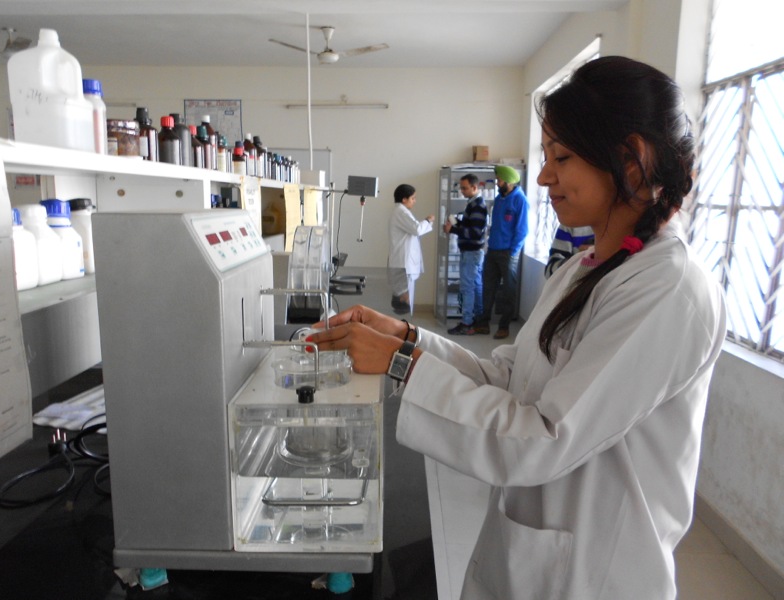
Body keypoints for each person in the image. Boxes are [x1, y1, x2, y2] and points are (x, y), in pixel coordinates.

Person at [307, 56, 727, 599]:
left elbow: (545, 439)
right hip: (534, 553)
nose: (545, 175)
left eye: (561, 157)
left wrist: (400, 364)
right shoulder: (587, 269)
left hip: (595, 574)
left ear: (631, 160)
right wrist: (404, 338)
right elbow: (507, 378)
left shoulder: (668, 289)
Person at [476, 164, 529, 339]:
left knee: (508, 291)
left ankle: (504, 326)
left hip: (508, 253)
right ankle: (483, 323)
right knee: (488, 288)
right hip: (492, 250)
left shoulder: (520, 200)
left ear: (509, 181)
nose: (497, 183)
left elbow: (522, 230)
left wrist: (513, 252)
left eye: (499, 180)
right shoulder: (499, 199)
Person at [444, 174, 488, 335]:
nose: (461, 191)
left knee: (467, 288)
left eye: (464, 188)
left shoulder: (477, 206)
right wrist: (458, 223)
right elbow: (471, 226)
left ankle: (467, 323)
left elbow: (475, 233)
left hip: (472, 252)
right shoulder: (473, 204)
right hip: (473, 252)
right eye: (461, 188)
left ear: (475, 187)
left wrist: (454, 229)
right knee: (476, 286)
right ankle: (478, 320)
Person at [388, 183, 434, 315]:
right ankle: (403, 317)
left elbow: (414, 229)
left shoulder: (401, 212)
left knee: (404, 292)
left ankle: (403, 316)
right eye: (413, 198)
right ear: (404, 199)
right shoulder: (401, 212)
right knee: (404, 293)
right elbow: (417, 229)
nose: (415, 201)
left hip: (403, 262)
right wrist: (428, 221)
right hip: (403, 264)